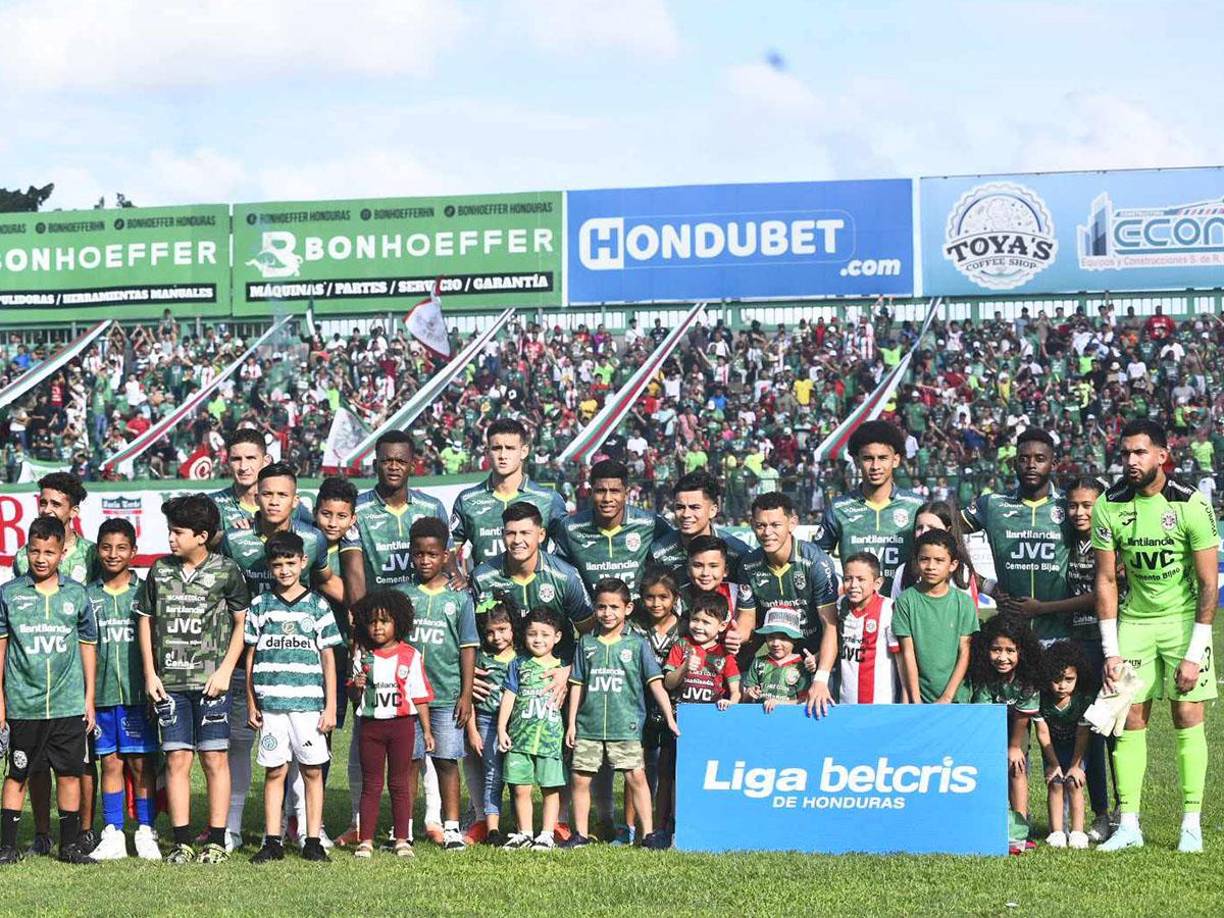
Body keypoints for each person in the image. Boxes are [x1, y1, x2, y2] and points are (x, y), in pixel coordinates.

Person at [1093, 419, 1218, 853]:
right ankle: (1129, 825)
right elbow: (1106, 580)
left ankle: (1191, 825)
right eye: (1125, 453)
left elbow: (1208, 584)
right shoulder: (1108, 504)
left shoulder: (1191, 504)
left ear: (1162, 455)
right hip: (1135, 625)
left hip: (1183, 622)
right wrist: (1111, 650)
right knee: (1129, 718)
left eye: (1140, 452)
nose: (1130, 461)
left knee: (1187, 716)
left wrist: (1195, 650)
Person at [221, 462, 339, 850]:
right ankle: (234, 828)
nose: (273, 501)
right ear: (256, 495)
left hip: (302, 677)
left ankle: (308, 830)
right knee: (244, 749)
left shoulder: (313, 540)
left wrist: (367, 608)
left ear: (295, 499)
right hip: (249, 660)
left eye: (281, 495)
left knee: (307, 765)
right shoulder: (235, 540)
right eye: (266, 494)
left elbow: (326, 581)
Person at [135, 494, 251, 864]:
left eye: (178, 532)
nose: (171, 538)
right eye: (170, 531)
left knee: (215, 759)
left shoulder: (226, 571)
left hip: (211, 684)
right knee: (176, 762)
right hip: (170, 683)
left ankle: (217, 840)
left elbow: (242, 623)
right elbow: (144, 619)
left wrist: (225, 670)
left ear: (202, 536)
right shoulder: (159, 570)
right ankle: (181, 841)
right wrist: (151, 672)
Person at [0, 517, 97, 865]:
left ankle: (69, 845)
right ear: (26, 551)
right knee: (17, 774)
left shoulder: (75, 594)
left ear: (61, 553)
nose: (41, 558)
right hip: (24, 706)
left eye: (49, 552)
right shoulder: (9, 594)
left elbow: (88, 645)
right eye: (35, 551)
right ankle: (7, 846)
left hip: (67, 704)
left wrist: (88, 699)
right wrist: (1, 704)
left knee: (69, 773)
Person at [243, 531, 341, 864]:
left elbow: (328, 657)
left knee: (313, 771)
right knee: (275, 772)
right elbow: (251, 656)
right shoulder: (260, 606)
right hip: (271, 707)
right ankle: (273, 840)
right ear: (270, 567)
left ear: (302, 562)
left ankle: (312, 839)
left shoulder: (318, 605)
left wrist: (330, 706)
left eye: (290, 563)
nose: (284, 570)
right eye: (278, 564)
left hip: (309, 706)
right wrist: (252, 701)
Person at [564, 578, 677, 850]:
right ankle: (579, 833)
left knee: (636, 776)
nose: (607, 613)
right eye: (601, 607)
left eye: (614, 607)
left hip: (625, 725)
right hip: (588, 725)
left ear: (628, 609)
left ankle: (648, 834)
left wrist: (670, 718)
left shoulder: (637, 644)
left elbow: (655, 683)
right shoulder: (586, 643)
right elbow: (577, 684)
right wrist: (571, 723)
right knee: (580, 777)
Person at [84, 519, 160, 861]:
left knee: (141, 764)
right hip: (100, 697)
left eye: (121, 548)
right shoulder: (87, 595)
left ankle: (146, 829)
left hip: (136, 696)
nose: (113, 554)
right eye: (106, 547)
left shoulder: (144, 592)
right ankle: (113, 831)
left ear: (133, 551)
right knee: (110, 762)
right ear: (97, 550)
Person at [962, 429, 1081, 642]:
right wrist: (987, 586)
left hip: (1062, 635)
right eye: (1024, 459)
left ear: (1054, 464)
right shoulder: (993, 504)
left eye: (1040, 459)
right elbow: (943, 533)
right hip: (1010, 639)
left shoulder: (1070, 506)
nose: (1031, 465)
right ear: (1014, 464)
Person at [403, 517, 478, 852]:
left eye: (432, 554)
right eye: (418, 554)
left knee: (447, 760)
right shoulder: (403, 596)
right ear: (410, 554)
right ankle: (403, 828)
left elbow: (467, 647)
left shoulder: (459, 599)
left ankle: (451, 827)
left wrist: (466, 694)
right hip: (407, 698)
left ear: (445, 555)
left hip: (446, 696)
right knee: (410, 761)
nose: (425, 560)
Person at [347, 590, 434, 859]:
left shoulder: (410, 656)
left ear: (398, 622)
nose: (378, 627)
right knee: (371, 784)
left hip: (402, 727)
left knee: (399, 783)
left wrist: (427, 731)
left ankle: (401, 838)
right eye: (372, 622)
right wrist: (356, 687)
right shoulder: (363, 655)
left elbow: (419, 696)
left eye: (384, 621)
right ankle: (366, 840)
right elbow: (354, 694)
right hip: (371, 728)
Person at [735, 492, 839, 710]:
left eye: (775, 524)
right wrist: (734, 637)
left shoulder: (817, 562)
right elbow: (747, 621)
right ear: (752, 525)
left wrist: (820, 678)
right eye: (761, 525)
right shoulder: (749, 565)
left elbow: (830, 626)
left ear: (792, 523)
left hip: (814, 656)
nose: (767, 532)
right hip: (774, 653)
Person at [340, 430, 448, 605]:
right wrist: (360, 617)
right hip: (377, 613)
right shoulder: (356, 511)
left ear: (412, 466)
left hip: (423, 611)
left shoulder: (433, 507)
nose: (393, 467)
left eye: (401, 461)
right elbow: (354, 573)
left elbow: (447, 563)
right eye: (386, 461)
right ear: (375, 464)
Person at [1063, 476, 1114, 841]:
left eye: (1087, 505)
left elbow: (1100, 593)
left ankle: (1128, 814)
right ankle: (1100, 813)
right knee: (1090, 731)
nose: (1079, 512)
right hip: (1077, 644)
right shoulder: (1066, 542)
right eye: (1073, 505)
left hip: (1109, 643)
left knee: (1118, 735)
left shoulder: (1113, 541)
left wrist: (1044, 608)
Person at [311, 476, 362, 846]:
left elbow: (354, 594)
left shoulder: (352, 548)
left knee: (324, 734)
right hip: (298, 650)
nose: (332, 522)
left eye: (340, 516)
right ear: (314, 514)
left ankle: (313, 815)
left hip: (340, 651)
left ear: (352, 518)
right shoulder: (306, 542)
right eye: (326, 514)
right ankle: (290, 816)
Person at [818, 421, 923, 593]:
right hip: (856, 613)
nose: (875, 466)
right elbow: (817, 561)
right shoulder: (838, 508)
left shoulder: (916, 506)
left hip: (904, 610)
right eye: (868, 458)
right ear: (856, 461)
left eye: (882, 458)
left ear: (895, 460)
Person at [968, 614, 1042, 853]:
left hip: (1017, 729)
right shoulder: (983, 675)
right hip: (988, 728)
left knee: (1017, 769)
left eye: (1010, 651)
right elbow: (984, 714)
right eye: (996, 650)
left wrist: (1013, 747)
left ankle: (1019, 830)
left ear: (1022, 651)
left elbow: (1023, 716)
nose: (1002, 657)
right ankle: (989, 823)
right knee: (991, 770)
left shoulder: (1028, 678)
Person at [450, 418, 567, 567]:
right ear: (487, 452)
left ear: (524, 451)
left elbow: (568, 551)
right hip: (483, 588)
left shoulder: (548, 499)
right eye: (496, 448)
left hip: (533, 588)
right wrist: (455, 575)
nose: (502, 455)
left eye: (510, 448)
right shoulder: (467, 500)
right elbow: (447, 552)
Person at [496, 607, 568, 851]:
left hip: (550, 739)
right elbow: (509, 695)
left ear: (557, 637)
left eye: (545, 634)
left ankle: (547, 834)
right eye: (532, 634)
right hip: (520, 737)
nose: (538, 639)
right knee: (520, 788)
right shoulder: (518, 664)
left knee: (550, 788)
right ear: (523, 636)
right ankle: (524, 833)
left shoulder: (563, 668)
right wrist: (501, 728)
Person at [553, 459, 669, 594]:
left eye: (614, 491)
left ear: (626, 494)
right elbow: (559, 576)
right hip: (592, 613)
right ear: (590, 493)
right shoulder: (570, 528)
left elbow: (677, 550)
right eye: (601, 491)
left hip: (638, 613)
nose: (607, 498)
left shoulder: (650, 523)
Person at [892, 529, 979, 705]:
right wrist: (916, 701)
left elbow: (965, 652)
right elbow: (907, 653)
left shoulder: (964, 603)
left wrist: (947, 697)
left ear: (953, 565)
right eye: (924, 559)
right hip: (920, 699)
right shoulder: (906, 600)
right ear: (916, 562)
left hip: (957, 699)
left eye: (939, 560)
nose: (931, 566)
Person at [627, 568, 682, 843]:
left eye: (663, 597)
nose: (656, 603)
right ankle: (632, 827)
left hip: (673, 705)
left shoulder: (685, 627)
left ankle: (662, 825)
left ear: (675, 598)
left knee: (666, 768)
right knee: (636, 767)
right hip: (638, 703)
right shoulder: (633, 628)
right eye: (649, 597)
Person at [1034, 641, 1097, 850]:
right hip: (1052, 748)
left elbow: (1082, 734)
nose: (1062, 686)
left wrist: (1076, 764)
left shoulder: (1082, 701)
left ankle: (1078, 832)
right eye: (1057, 680)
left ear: (1078, 678)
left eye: (1069, 680)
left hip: (1076, 749)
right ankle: (1057, 831)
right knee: (1055, 783)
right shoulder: (1041, 700)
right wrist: (1053, 764)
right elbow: (1042, 733)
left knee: (1073, 782)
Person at [465, 602, 517, 847]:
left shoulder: (522, 658)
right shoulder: (481, 659)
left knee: (518, 775)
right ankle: (492, 828)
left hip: (517, 725)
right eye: (490, 632)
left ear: (513, 627)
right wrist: (473, 731)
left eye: (503, 629)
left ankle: (522, 827)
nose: (497, 637)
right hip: (486, 721)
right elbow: (471, 699)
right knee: (492, 776)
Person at [823, 552, 902, 708]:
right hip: (843, 703)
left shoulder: (888, 609)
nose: (853, 585)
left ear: (877, 583)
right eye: (848, 579)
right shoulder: (839, 605)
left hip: (880, 703)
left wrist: (905, 694)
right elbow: (833, 642)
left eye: (861, 579)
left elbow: (900, 658)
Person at [650, 471, 751, 582]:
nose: (686, 514)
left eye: (695, 507)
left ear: (713, 510)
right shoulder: (657, 553)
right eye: (680, 507)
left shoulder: (738, 553)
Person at [210, 428, 312, 532]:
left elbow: (316, 537)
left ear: (266, 461)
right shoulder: (213, 504)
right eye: (236, 459)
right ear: (228, 463)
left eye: (250, 458)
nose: (243, 467)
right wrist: (231, 537)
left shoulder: (291, 505)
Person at [889, 501, 979, 603]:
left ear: (948, 530)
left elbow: (968, 615)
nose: (924, 532)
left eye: (932, 528)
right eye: (919, 528)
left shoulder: (962, 572)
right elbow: (896, 612)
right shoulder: (903, 571)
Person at [663, 592, 741, 708]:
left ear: (722, 626)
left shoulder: (725, 654)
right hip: (681, 713)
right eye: (695, 619)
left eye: (706, 622)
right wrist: (684, 667)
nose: (699, 626)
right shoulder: (682, 645)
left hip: (711, 714)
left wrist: (730, 703)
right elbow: (668, 684)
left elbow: (736, 692)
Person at [741, 607, 813, 711]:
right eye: (771, 637)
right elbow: (745, 700)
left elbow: (804, 701)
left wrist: (779, 703)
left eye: (783, 638)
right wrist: (750, 694)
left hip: (788, 719)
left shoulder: (800, 666)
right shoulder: (758, 662)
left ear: (795, 639)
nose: (775, 643)